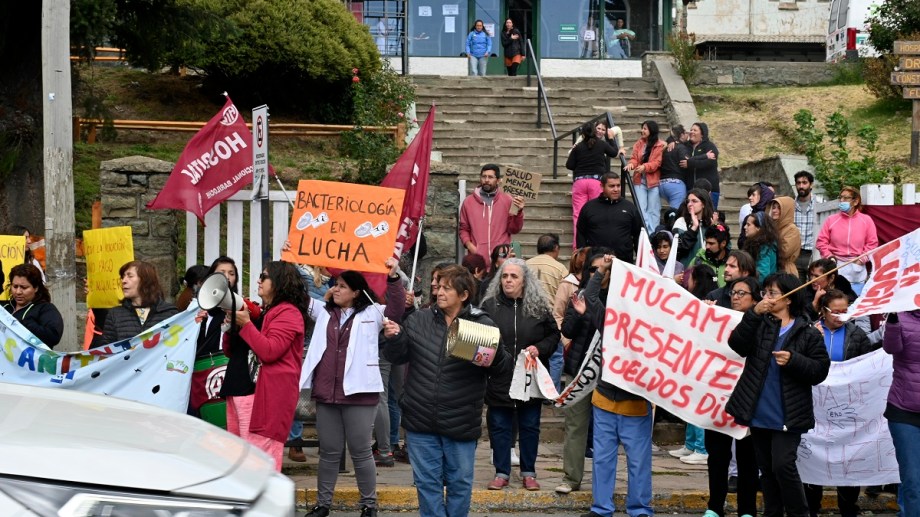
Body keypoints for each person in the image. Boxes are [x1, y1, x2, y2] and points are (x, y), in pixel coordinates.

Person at [382, 265, 512, 517]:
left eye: (447, 288)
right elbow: (397, 357)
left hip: (460, 421)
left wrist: (493, 353)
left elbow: (502, 369)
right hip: (420, 419)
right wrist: (394, 338)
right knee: (426, 484)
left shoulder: (481, 323)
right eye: (438, 287)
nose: (439, 292)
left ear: (463, 295)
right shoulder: (419, 319)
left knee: (459, 484)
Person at [301, 259, 405, 517]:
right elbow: (297, 297)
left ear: (356, 292)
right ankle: (323, 504)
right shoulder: (324, 311)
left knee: (360, 451)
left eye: (342, 286)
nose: (335, 289)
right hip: (327, 393)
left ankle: (369, 505)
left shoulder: (372, 313)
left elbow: (396, 308)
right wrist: (290, 261)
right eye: (335, 285)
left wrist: (393, 278)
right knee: (329, 452)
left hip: (360, 394)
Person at [725, 273, 831, 517]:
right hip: (759, 408)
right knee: (766, 469)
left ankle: (799, 513)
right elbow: (737, 345)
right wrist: (753, 313)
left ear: (789, 298)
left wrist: (794, 360)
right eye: (765, 293)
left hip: (789, 412)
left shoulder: (807, 331)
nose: (767, 297)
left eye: (772, 293)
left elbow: (820, 370)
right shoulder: (761, 323)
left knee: (783, 465)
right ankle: (772, 512)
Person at [580, 253, 654, 517]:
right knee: (602, 459)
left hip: (636, 404)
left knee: (639, 462)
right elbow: (589, 297)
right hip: (604, 402)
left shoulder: (651, 328)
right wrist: (601, 269)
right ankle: (601, 509)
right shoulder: (608, 319)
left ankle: (640, 509)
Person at [480, 259, 560, 491]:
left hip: (529, 376)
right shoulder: (489, 306)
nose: (508, 280)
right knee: (499, 426)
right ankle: (501, 472)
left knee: (530, 426)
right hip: (499, 376)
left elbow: (554, 336)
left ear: (524, 281)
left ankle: (528, 472)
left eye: (514, 276)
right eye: (504, 276)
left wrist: (540, 349)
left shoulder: (539, 307)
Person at [803, 289, 876, 517]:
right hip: (813, 405)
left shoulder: (857, 335)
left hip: (846, 406)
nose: (841, 316)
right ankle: (811, 506)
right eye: (835, 311)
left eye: (845, 311)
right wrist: (810, 337)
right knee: (812, 455)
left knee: (847, 457)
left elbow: (866, 367)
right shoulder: (809, 330)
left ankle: (848, 507)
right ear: (823, 311)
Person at [227, 261, 307, 471]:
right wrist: (232, 327)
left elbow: (270, 351)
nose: (258, 281)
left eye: (264, 277)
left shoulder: (288, 313)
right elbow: (231, 351)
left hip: (269, 396)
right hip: (252, 391)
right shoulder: (268, 311)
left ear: (279, 282)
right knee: (243, 459)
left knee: (259, 462)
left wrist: (246, 324)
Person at [701, 275, 762, 517]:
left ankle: (747, 510)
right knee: (717, 456)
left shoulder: (763, 324)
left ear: (755, 299)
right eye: (733, 293)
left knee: (748, 458)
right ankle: (715, 507)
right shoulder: (719, 318)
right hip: (718, 399)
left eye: (741, 293)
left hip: (748, 400)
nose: (735, 297)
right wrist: (704, 315)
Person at [556, 248, 608, 495]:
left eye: (604, 269)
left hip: (607, 375)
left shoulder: (620, 298)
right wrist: (579, 315)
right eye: (594, 269)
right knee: (575, 426)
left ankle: (603, 483)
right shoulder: (580, 295)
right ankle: (571, 477)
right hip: (580, 370)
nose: (599, 273)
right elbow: (567, 329)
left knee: (605, 431)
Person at [668, 264, 718, 466]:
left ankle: (702, 448)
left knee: (698, 404)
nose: (686, 280)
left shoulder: (707, 304)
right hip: (691, 359)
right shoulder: (696, 301)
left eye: (689, 277)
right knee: (689, 403)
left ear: (696, 280)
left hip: (702, 362)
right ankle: (690, 444)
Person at [882, 309, 920, 514]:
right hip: (905, 412)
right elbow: (891, 347)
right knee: (912, 478)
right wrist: (893, 321)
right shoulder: (899, 317)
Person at [459, 164, 525, 271]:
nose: (486, 180)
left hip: (501, 260)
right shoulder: (468, 202)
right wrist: (471, 246)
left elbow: (514, 229)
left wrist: (519, 212)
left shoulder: (508, 200)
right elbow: (463, 228)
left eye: (490, 177)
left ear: (498, 180)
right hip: (477, 262)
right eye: (483, 176)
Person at [815, 186, 878, 295]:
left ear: (855, 201)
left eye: (846, 198)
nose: (842, 200)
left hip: (857, 266)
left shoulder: (866, 220)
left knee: (855, 299)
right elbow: (821, 242)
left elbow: (872, 243)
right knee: (835, 298)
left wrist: (861, 260)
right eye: (840, 197)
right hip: (836, 265)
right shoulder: (831, 220)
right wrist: (829, 257)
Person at [99, 261, 179, 345]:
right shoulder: (115, 314)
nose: (123, 281)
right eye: (123, 277)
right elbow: (107, 349)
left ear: (145, 280)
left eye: (130, 276)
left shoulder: (169, 313)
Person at [526, 233, 569, 390]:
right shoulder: (560, 268)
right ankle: (551, 392)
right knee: (555, 358)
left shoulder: (526, 265)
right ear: (556, 248)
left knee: (529, 355)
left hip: (528, 319)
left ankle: (530, 389)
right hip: (552, 320)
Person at [567, 123, 621, 242]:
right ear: (595, 132)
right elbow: (613, 152)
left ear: (582, 134)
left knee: (578, 214)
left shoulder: (578, 147)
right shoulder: (601, 144)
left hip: (580, 181)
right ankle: (595, 243)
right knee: (596, 212)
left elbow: (569, 165)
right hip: (596, 182)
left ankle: (578, 246)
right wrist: (611, 139)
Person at [575, 171, 641, 264]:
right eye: (612, 186)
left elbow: (638, 235)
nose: (616, 189)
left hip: (623, 262)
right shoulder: (589, 207)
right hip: (595, 262)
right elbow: (581, 232)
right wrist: (583, 255)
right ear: (602, 186)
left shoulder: (630, 207)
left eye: (618, 185)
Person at [1, 264, 63, 348]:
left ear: (36, 288)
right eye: (15, 286)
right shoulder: (3, 306)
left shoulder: (45, 309)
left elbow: (53, 336)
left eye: (24, 287)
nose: (18, 292)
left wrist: (24, 324)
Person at [627, 120, 666, 233]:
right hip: (639, 181)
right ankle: (646, 232)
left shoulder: (660, 145)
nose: (642, 131)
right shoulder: (639, 144)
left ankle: (653, 233)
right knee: (641, 208)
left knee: (654, 209)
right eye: (642, 128)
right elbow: (634, 158)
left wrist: (645, 167)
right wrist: (631, 164)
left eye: (645, 129)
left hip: (653, 181)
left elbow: (657, 163)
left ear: (651, 130)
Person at [679, 122, 720, 209]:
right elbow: (675, 142)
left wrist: (690, 163)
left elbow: (710, 162)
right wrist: (670, 142)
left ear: (702, 134)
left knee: (710, 213)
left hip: (710, 190)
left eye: (695, 130)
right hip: (691, 190)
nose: (691, 132)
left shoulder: (710, 146)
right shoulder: (685, 146)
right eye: (691, 130)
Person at [802, 258, 857, 322]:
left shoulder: (845, 291)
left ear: (831, 278)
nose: (812, 280)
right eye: (811, 275)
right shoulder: (807, 292)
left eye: (817, 276)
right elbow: (802, 319)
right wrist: (814, 303)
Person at [672, 188, 716, 267]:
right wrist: (694, 228)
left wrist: (714, 229)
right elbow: (679, 248)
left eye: (694, 201)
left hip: (707, 270)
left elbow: (723, 247)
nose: (690, 204)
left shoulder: (711, 222)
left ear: (703, 204)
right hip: (687, 269)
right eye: (688, 201)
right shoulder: (681, 222)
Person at [793, 171, 817, 281]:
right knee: (797, 286)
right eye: (798, 183)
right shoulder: (790, 205)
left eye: (804, 182)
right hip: (795, 254)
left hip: (813, 253)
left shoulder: (821, 203)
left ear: (811, 184)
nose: (801, 186)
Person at [768, 196, 801, 276]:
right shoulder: (773, 227)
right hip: (773, 268)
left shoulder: (791, 229)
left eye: (779, 208)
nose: (774, 211)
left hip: (785, 271)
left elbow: (784, 252)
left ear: (786, 210)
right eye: (773, 207)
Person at [741, 212, 779, 281]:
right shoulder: (757, 244)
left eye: (748, 225)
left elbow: (763, 274)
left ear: (758, 227)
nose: (745, 227)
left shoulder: (764, 247)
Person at [660, 125, 689, 209]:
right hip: (676, 184)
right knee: (675, 212)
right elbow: (685, 164)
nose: (688, 135)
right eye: (686, 133)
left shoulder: (665, 148)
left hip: (661, 184)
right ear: (682, 135)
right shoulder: (682, 148)